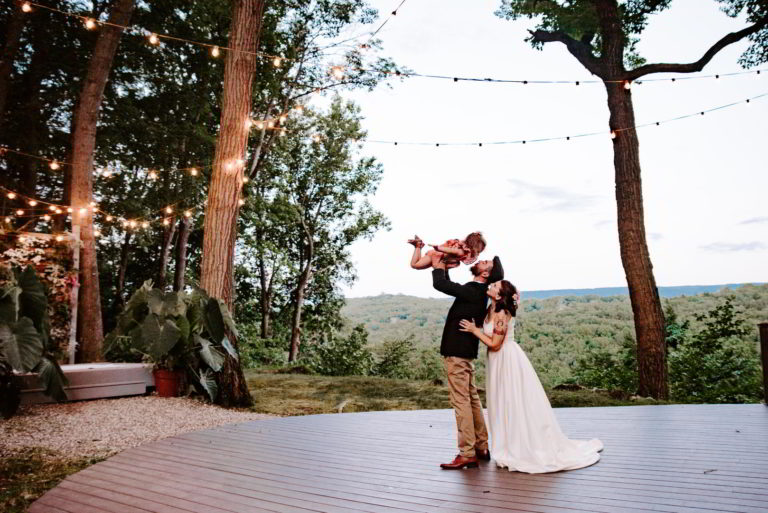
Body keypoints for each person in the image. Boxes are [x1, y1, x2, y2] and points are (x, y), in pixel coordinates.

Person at [459, 280, 604, 473]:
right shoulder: (490, 309)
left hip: (507, 359)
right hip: (496, 361)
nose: (490, 286)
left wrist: (474, 330)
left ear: (499, 295)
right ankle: (508, 443)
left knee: (512, 401)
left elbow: (495, 344)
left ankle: (522, 446)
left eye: (494, 286)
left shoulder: (502, 313)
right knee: (502, 402)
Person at [430, 252, 503, 469]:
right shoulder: (477, 293)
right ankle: (481, 446)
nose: (481, 260)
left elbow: (441, 285)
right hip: (467, 352)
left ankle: (467, 453)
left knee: (460, 401)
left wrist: (437, 264)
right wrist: (446, 267)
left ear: (485, 273)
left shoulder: (474, 290)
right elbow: (451, 285)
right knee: (471, 399)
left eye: (485, 262)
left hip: (456, 352)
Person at [408, 232, 486, 270]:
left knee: (416, 266)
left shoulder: (465, 253)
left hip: (438, 257)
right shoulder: (461, 252)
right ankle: (418, 245)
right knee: (415, 265)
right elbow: (450, 250)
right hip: (435, 256)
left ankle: (418, 246)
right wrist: (438, 248)